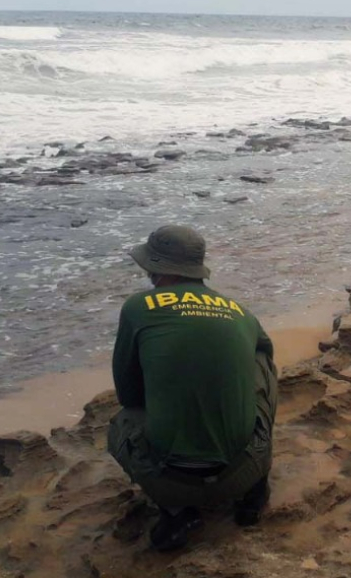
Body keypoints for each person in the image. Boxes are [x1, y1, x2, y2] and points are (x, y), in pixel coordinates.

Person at [107, 225, 278, 551]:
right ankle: (255, 489)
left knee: (120, 424)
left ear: (154, 267)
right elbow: (264, 354)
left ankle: (177, 512)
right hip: (242, 470)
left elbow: (128, 396)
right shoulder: (240, 312)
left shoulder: (137, 307)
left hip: (169, 482)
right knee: (261, 362)